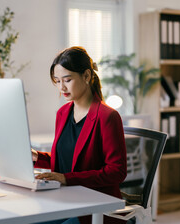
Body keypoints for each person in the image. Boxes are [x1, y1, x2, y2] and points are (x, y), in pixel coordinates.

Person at [31, 46, 127, 224]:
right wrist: (37, 157)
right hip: (65, 201)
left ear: (87, 76)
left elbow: (117, 172)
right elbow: (70, 158)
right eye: (57, 81)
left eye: (67, 80)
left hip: (97, 207)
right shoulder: (62, 113)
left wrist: (66, 179)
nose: (61, 87)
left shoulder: (107, 116)